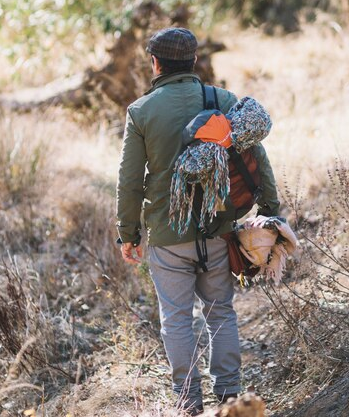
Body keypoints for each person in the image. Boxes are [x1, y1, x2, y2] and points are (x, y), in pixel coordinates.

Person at [115, 27, 280, 415]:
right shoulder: (222, 100)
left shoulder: (141, 111)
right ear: (193, 61)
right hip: (219, 229)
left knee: (176, 320)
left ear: (155, 63)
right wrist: (272, 209)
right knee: (220, 310)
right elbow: (259, 159)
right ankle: (230, 398)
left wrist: (128, 233)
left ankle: (188, 403)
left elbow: (129, 179)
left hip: (168, 234)